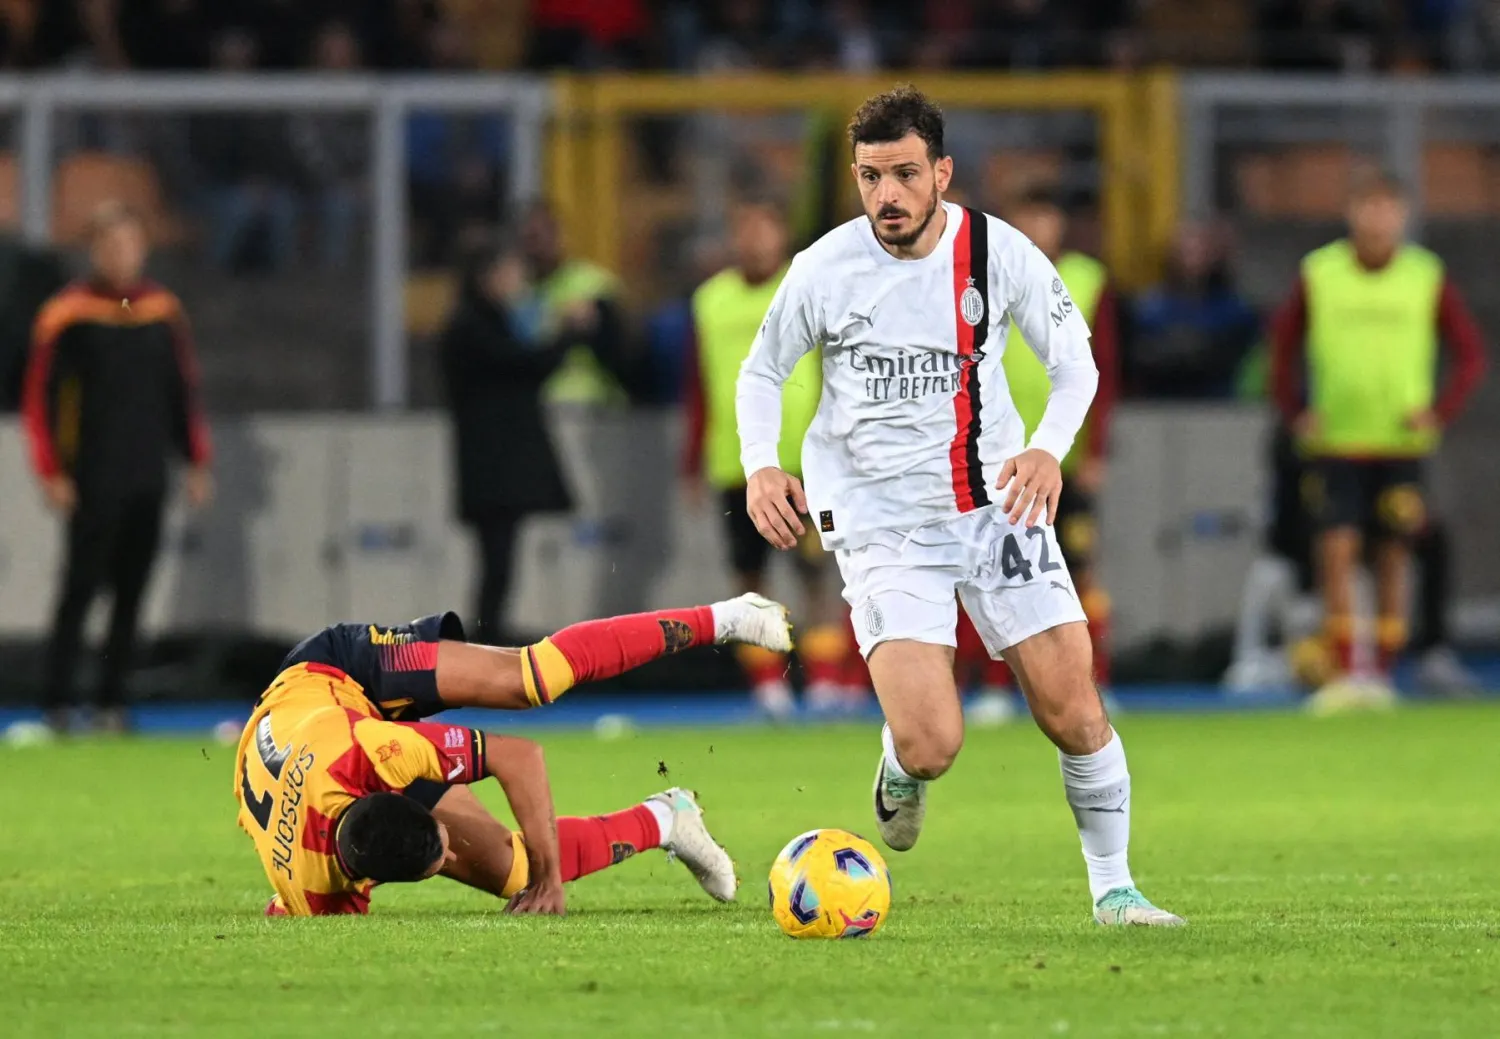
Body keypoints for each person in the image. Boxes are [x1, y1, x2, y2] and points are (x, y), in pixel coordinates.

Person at [736, 85, 1181, 926]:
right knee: (934, 744)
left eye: (905, 174)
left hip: (993, 509)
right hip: (882, 524)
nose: (888, 197)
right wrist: (762, 465)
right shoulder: (824, 269)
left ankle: (1115, 890)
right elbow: (760, 372)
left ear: (942, 171)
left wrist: (1047, 445)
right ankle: (902, 764)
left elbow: (1075, 365)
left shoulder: (997, 254)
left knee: (1075, 709)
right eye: (871, 177)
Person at [237, 592, 792, 916]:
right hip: (311, 748)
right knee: (512, 874)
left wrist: (552, 879)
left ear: (397, 788)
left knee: (528, 679)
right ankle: (667, 818)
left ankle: (727, 616)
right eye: (439, 864)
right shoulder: (316, 891)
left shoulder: (377, 753)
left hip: (331, 676)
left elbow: (518, 756)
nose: (448, 854)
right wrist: (535, 876)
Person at [1269, 170, 1486, 705]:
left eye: (1388, 208)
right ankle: (1346, 674)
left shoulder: (1424, 275)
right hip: (1338, 443)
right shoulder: (1321, 273)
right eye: (1369, 206)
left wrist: (1439, 411)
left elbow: (1470, 354)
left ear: (1404, 215)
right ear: (1352, 212)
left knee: (1393, 555)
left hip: (1399, 445)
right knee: (1336, 550)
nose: (1378, 219)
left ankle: (1382, 676)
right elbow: (1280, 349)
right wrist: (1297, 410)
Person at [23, 202, 213, 734]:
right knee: (80, 589)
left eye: (129, 245)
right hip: (91, 475)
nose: (120, 255)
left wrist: (196, 460)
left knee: (132, 591)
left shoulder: (161, 310)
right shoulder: (68, 314)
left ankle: (113, 703)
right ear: (94, 251)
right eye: (110, 246)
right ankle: (58, 702)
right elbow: (42, 399)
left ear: (142, 249)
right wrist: (51, 471)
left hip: (147, 473)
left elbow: (183, 392)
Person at [683, 197, 851, 716]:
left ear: (782, 236)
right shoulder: (709, 300)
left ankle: (824, 682)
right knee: (749, 581)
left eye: (765, 227)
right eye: (746, 228)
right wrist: (691, 458)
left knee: (817, 574)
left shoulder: (807, 286)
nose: (755, 240)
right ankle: (768, 685)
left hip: (805, 460)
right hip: (736, 463)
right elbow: (699, 384)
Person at [961, 188, 1120, 721]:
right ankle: (996, 687)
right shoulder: (989, 268)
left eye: (1045, 213)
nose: (1037, 225)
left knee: (1079, 569)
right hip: (997, 459)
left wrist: (1094, 448)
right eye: (1027, 214)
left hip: (1064, 457)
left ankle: (1095, 683)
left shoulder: (1090, 279)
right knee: (991, 570)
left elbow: (1104, 369)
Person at [439, 237, 596, 644]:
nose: (518, 281)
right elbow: (526, 366)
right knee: (496, 562)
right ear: (487, 277)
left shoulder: (486, 323)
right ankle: (482, 647)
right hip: (492, 466)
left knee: (500, 562)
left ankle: (485, 642)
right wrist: (568, 334)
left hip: (495, 464)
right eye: (510, 272)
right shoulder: (471, 328)